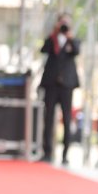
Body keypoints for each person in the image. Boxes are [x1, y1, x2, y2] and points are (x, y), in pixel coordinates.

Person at [39, 13, 80, 165]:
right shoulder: (53, 39)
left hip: (66, 85)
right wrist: (54, 33)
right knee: (48, 118)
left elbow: (76, 50)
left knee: (67, 118)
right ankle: (47, 152)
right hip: (51, 84)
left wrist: (69, 36)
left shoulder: (73, 40)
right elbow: (43, 49)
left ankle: (65, 154)